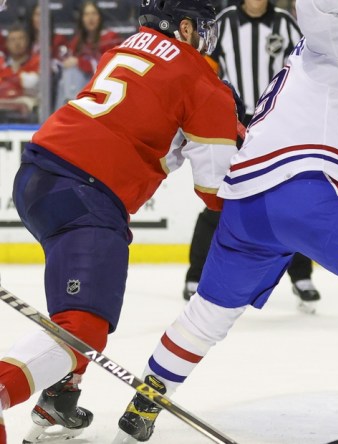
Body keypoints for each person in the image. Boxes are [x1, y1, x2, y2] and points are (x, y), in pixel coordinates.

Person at [114, 0, 338, 443]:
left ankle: (143, 402)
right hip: (300, 190)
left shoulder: (323, 85)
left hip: (247, 204)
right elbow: (316, 4)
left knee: (209, 314)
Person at [0, 0, 240, 442]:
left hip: (37, 176)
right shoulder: (203, 81)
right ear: (185, 28)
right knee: (84, 326)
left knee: (78, 305)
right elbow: (215, 194)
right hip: (85, 193)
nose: (207, 38)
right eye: (203, 28)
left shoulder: (124, 47)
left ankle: (59, 398)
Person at [182, 0, 321, 313]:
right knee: (224, 193)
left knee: (288, 198)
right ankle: (196, 273)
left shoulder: (286, 23)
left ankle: (301, 276)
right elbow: (204, 67)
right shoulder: (224, 21)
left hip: (280, 121)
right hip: (235, 121)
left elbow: (306, 68)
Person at [55, 0, 122, 106]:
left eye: (94, 14)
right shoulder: (78, 40)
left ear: (100, 17)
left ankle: (70, 107)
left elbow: (108, 67)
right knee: (64, 79)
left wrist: (79, 62)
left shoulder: (110, 37)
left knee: (72, 73)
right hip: (81, 84)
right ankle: (67, 107)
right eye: (86, 14)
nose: (90, 18)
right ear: (82, 19)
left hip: (102, 83)